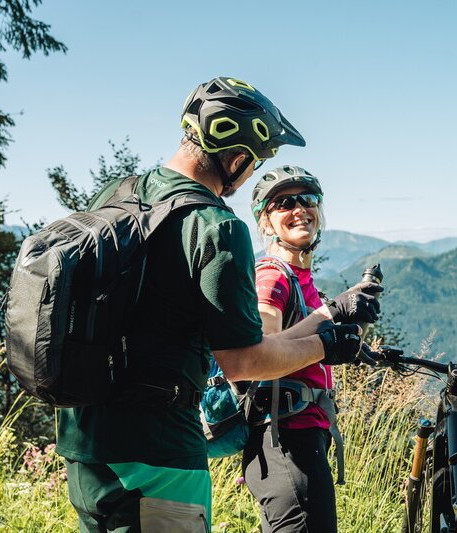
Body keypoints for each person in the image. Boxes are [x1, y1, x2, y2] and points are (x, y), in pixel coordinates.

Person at [55, 77, 376, 532]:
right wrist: (328, 345)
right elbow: (244, 360)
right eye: (256, 162)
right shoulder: (216, 226)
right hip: (159, 452)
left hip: (83, 440)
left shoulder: (117, 194)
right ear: (237, 154)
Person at [241, 165, 380, 532]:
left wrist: (350, 345)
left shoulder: (303, 281)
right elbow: (258, 351)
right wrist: (331, 316)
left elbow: (303, 340)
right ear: (266, 223)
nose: (300, 208)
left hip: (299, 441)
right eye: (285, 202)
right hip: (285, 442)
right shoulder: (271, 276)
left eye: (309, 199)